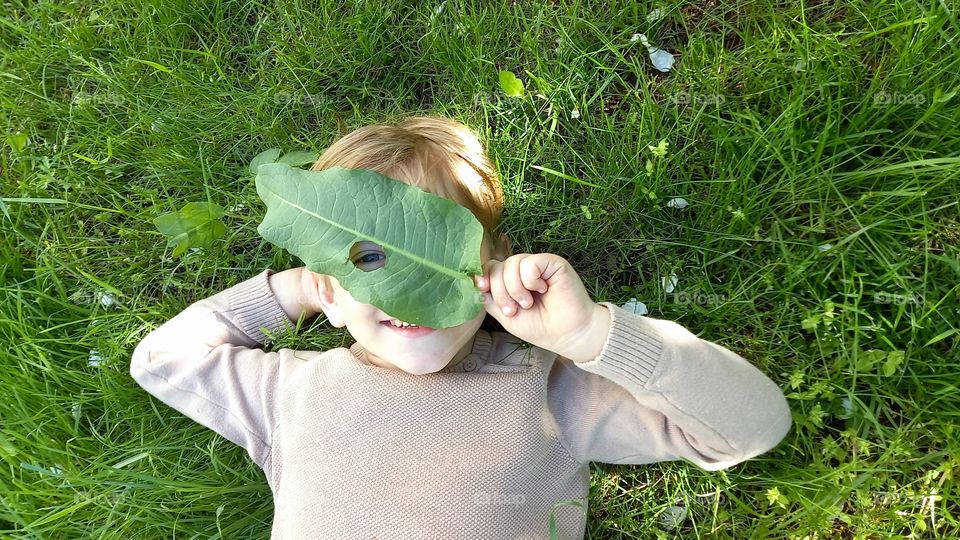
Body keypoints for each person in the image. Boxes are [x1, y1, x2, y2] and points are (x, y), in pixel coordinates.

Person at [130, 115, 792, 539]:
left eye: (438, 247)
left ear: (496, 264)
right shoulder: (287, 393)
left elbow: (751, 426)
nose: (404, 290)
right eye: (366, 261)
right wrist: (296, 289)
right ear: (332, 287)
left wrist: (590, 337)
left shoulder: (545, 393)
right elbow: (162, 359)